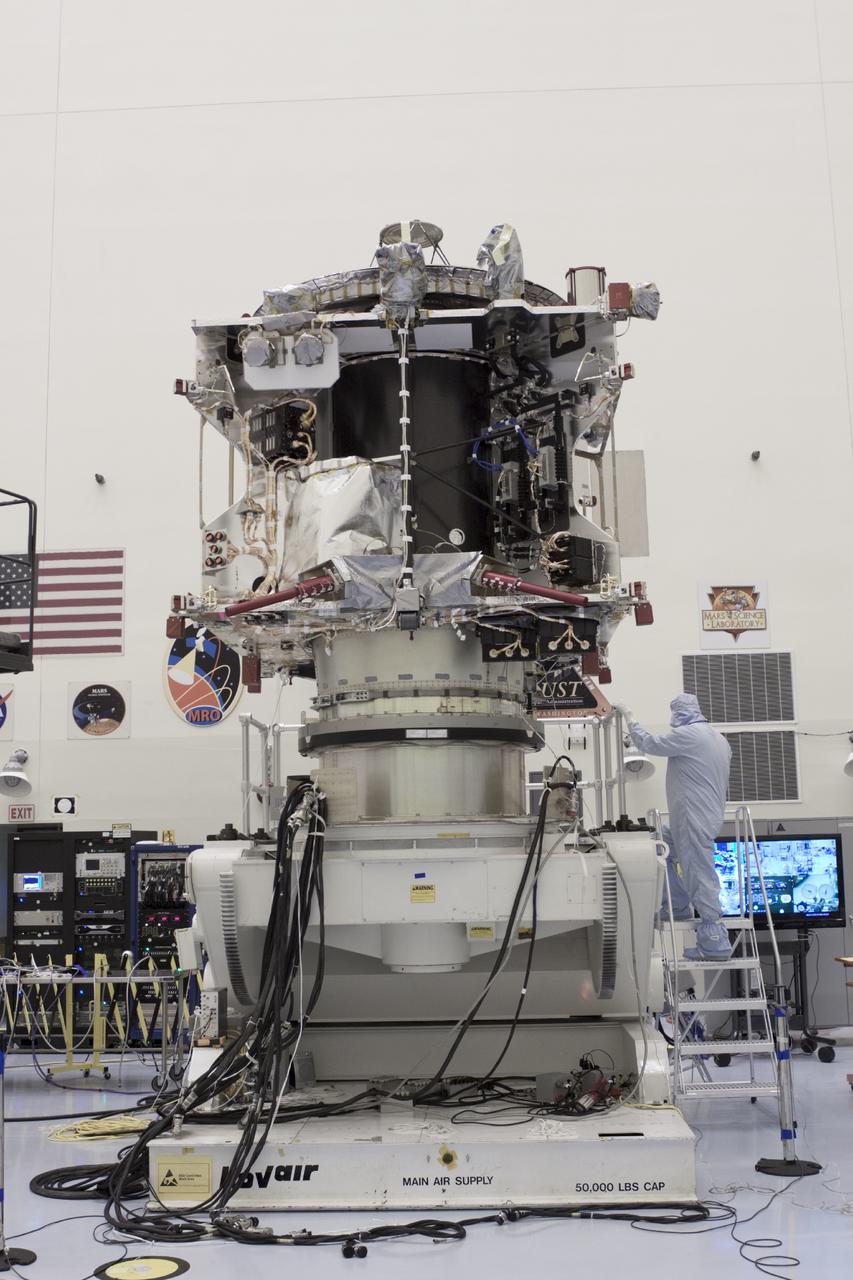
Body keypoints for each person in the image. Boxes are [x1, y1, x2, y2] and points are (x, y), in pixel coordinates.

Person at [612, 693, 733, 959]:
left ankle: (714, 939)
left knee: (698, 871)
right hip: (703, 814)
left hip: (692, 815)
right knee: (660, 843)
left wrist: (629, 717)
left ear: (681, 713)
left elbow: (649, 743)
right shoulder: (718, 739)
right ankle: (676, 905)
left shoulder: (690, 735)